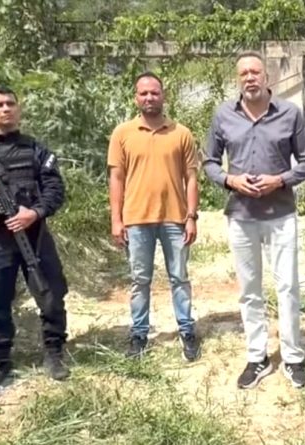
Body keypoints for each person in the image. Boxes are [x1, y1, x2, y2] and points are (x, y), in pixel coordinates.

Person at [203, 51, 305, 389]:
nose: (250, 78)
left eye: (255, 72)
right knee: (250, 290)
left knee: (288, 287)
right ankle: (258, 357)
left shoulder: (290, 114)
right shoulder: (224, 115)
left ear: (267, 77)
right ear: (238, 79)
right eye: (244, 74)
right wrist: (230, 180)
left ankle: (292, 357)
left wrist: (279, 180)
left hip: (280, 214)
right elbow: (209, 162)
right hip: (241, 215)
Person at [0, 85, 70, 390]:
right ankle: (0, 362)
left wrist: (34, 212)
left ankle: (54, 352)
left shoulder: (36, 149)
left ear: (18, 108)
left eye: (10, 103)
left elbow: (55, 190)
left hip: (33, 233)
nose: (5, 109)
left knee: (51, 291)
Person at [107, 72, 201, 362]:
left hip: (175, 219)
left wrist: (191, 216)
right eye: (144, 93)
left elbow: (191, 178)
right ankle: (139, 334)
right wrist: (116, 219)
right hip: (136, 219)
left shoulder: (181, 133)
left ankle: (186, 330)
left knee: (179, 277)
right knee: (140, 280)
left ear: (163, 95)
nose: (149, 97)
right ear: (136, 97)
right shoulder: (122, 133)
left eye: (154, 93)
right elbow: (116, 178)